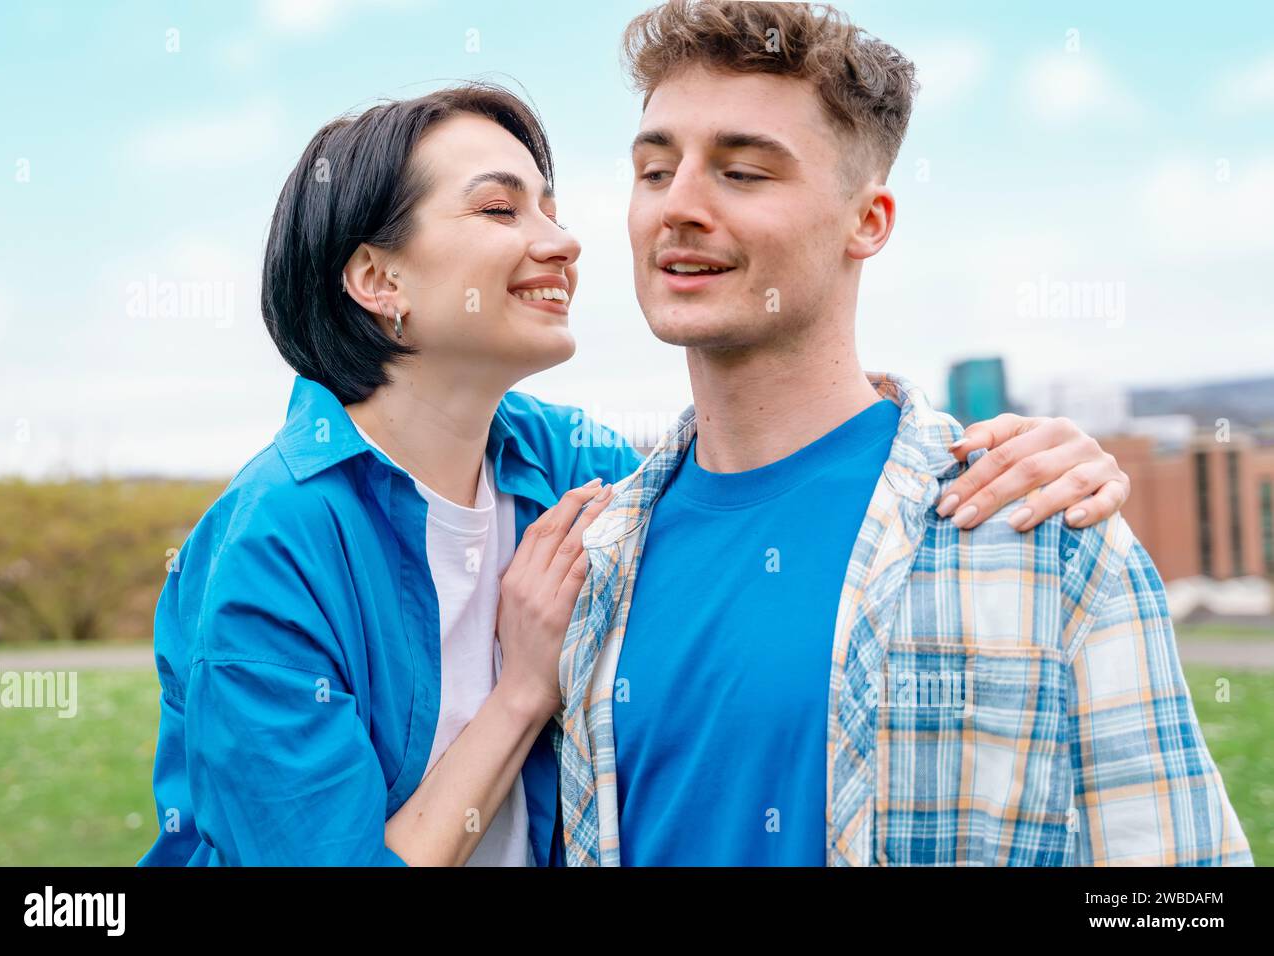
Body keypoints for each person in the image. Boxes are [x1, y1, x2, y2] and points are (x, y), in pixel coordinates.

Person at [139, 80, 1134, 866]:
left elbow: (760, 445)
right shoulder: (273, 544)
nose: (561, 240)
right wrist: (523, 693)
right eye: (499, 208)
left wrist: (990, 447)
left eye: (553, 204)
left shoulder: (569, 467)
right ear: (377, 280)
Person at [556, 0, 1252, 867]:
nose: (679, 206)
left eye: (743, 173)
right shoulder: (590, 557)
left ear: (869, 222)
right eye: (655, 170)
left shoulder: (1041, 534)